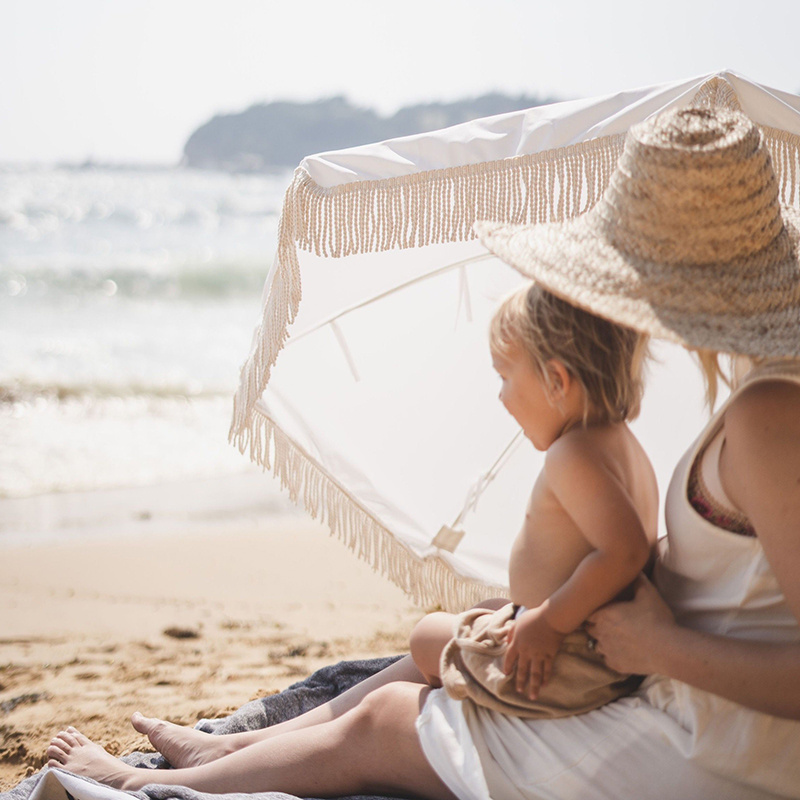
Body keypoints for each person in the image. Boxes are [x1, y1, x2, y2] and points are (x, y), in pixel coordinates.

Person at [46, 106, 800, 799]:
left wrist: (659, 646)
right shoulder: (759, 397)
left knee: (385, 719)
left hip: (714, 746)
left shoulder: (768, 413)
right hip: (700, 713)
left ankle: (146, 790)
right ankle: (222, 757)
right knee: (445, 645)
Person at [409, 282, 657, 718]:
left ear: (557, 381)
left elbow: (627, 552)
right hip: (585, 651)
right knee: (485, 611)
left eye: (505, 377)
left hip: (562, 663)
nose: (501, 396)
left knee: (426, 636)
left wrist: (548, 623)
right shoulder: (622, 443)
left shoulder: (573, 454)